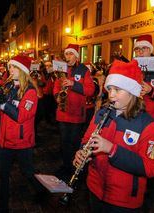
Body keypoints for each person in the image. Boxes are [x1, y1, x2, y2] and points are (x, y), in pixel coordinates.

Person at [74, 59, 154, 212]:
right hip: (95, 188)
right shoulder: (102, 114)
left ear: (132, 91)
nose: (111, 95)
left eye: (118, 90)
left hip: (124, 200)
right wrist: (82, 152)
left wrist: (112, 150)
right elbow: (86, 139)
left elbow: (150, 167)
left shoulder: (147, 125)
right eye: (109, 89)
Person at [0, 55, 43, 213]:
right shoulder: (9, 87)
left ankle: (41, 191)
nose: (9, 69)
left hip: (22, 141)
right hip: (4, 140)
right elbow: (1, 111)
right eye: (10, 67)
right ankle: (2, 207)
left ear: (21, 70)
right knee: (2, 176)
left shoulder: (30, 92)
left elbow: (21, 116)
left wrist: (3, 103)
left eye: (13, 67)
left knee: (27, 171)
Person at [53, 44, 95, 180]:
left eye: (71, 54)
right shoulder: (61, 69)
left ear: (76, 56)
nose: (68, 57)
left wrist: (73, 84)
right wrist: (57, 97)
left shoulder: (83, 70)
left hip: (76, 114)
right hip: (63, 112)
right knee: (64, 142)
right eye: (67, 54)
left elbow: (91, 90)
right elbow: (56, 86)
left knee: (74, 142)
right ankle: (66, 166)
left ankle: (74, 167)